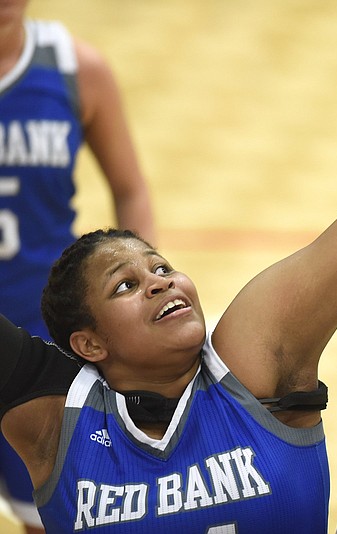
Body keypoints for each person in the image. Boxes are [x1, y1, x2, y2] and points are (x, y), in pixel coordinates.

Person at [0, 0, 337, 531]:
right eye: (126, 285)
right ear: (89, 344)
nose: (159, 283)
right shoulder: (56, 418)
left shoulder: (254, 356)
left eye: (161, 267)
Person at [0, 1, 155, 531]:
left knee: (48, 517)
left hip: (43, 345)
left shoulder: (74, 69)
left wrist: (142, 295)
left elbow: (130, 189)